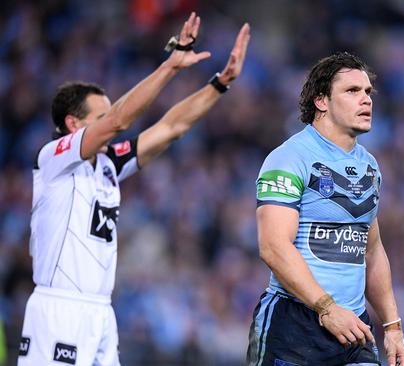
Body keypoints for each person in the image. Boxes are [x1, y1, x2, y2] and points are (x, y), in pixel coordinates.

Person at [18, 13, 250, 366]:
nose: (110, 126)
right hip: (59, 308)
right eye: (99, 119)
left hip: (101, 312)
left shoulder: (109, 165)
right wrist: (171, 66)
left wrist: (220, 84)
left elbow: (171, 126)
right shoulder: (53, 160)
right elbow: (119, 120)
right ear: (73, 124)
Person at [246, 52, 404, 366]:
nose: (366, 100)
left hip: (353, 326)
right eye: (352, 91)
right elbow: (273, 246)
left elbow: (371, 250)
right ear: (322, 101)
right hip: (294, 324)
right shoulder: (289, 158)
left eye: (367, 92)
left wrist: (392, 326)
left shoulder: (369, 167)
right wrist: (327, 308)